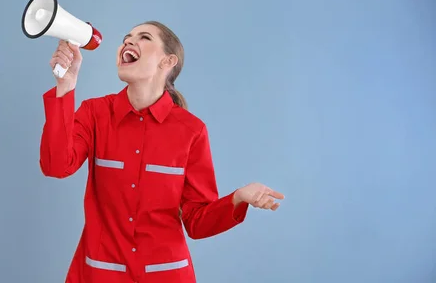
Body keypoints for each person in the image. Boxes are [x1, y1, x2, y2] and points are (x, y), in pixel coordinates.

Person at [39, 21, 285, 283]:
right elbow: (56, 166)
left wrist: (238, 198)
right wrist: (65, 86)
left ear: (168, 61)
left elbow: (197, 221)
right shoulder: (95, 114)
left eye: (144, 37)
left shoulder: (192, 131)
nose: (129, 42)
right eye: (127, 37)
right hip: (100, 274)